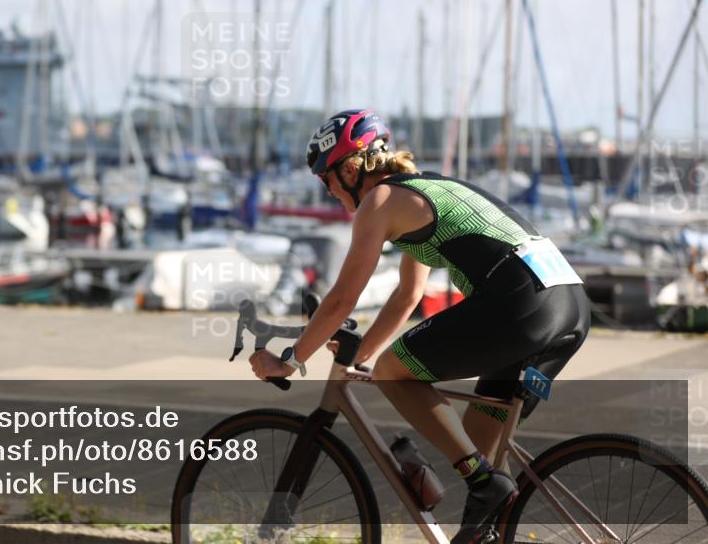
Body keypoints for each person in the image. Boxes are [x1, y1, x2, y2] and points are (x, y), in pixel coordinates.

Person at [249, 109, 591, 544]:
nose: (328, 191)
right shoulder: (421, 193)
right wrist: (363, 354)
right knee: (480, 441)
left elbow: (340, 299)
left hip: (525, 305)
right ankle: (488, 506)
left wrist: (291, 360)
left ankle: (484, 484)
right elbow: (407, 296)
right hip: (568, 307)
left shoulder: (380, 203)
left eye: (326, 178)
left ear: (350, 168)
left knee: (400, 376)